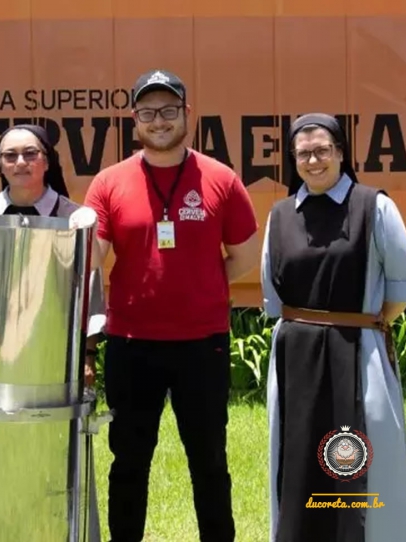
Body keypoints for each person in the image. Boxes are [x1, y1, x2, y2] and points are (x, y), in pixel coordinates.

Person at [84, 69, 260, 542]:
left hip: (202, 344)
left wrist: (202, 283)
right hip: (130, 343)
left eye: (167, 111)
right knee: (129, 463)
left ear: (187, 114)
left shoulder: (220, 179)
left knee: (210, 462)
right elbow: (93, 257)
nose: (158, 121)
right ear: (134, 121)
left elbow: (245, 255)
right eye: (147, 113)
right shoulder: (109, 182)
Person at [261, 113, 406, 542]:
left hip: (358, 352)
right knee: (298, 462)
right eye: (303, 153)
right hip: (296, 359)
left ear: (341, 154)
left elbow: (401, 285)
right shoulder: (280, 216)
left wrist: (365, 326)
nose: (313, 161)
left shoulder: (375, 206)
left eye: (322, 150)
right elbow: (275, 296)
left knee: (360, 459)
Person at [0, 123, 106, 540]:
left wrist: (88, 355)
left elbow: (90, 292)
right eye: (10, 156)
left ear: (47, 160)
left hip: (53, 364)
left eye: (30, 154)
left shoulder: (75, 218)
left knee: (57, 455)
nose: (20, 163)